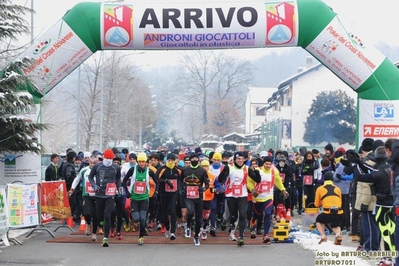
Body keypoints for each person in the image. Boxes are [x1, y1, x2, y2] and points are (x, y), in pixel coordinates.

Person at [218, 151, 261, 246]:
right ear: (235, 160)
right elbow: (220, 180)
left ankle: (241, 237)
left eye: (242, 159)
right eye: (238, 159)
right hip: (231, 195)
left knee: (242, 215)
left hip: (242, 195)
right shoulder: (229, 167)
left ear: (244, 159)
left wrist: (256, 172)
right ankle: (232, 226)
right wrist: (224, 170)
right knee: (233, 216)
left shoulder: (246, 168)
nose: (240, 161)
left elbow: (257, 180)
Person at [247, 156, 287, 244]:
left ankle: (265, 235)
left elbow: (278, 181)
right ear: (263, 164)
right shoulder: (257, 170)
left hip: (268, 196)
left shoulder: (275, 171)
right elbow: (249, 181)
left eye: (270, 164)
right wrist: (252, 190)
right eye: (266, 164)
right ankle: (253, 221)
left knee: (268, 214)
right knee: (257, 214)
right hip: (257, 197)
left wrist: (283, 190)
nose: (268, 166)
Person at [88, 149, 121, 247]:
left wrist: (118, 187)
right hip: (99, 194)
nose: (109, 161)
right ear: (103, 158)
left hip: (110, 194)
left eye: (111, 159)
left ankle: (105, 238)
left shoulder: (116, 167)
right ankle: (100, 224)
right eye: (107, 158)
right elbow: (90, 177)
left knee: (108, 215)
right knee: (99, 216)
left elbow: (118, 178)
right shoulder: (98, 166)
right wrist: (94, 185)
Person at [123, 152, 156, 246]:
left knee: (142, 218)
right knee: (136, 218)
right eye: (140, 161)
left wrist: (153, 192)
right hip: (134, 198)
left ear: (146, 162)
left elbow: (156, 181)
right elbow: (124, 180)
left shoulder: (149, 171)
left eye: (143, 161)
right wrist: (127, 192)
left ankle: (141, 237)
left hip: (144, 198)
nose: (141, 163)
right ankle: (136, 223)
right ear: (138, 162)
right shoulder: (132, 170)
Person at [180, 153, 209, 246]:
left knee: (199, 219)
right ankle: (188, 226)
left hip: (198, 197)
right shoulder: (185, 170)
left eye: (196, 158)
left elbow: (207, 183)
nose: (194, 160)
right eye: (193, 158)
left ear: (198, 160)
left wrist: (203, 189)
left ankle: (196, 236)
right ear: (190, 160)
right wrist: (182, 189)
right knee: (191, 211)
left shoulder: (202, 171)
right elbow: (180, 181)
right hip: (188, 196)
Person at [69, 157, 98, 241]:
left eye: (94, 163)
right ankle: (88, 224)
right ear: (89, 163)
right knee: (87, 213)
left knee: (96, 215)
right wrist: (72, 189)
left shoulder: (100, 170)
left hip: (97, 195)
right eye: (91, 163)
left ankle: (94, 233)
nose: (92, 165)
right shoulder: (84, 170)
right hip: (86, 194)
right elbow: (77, 179)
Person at [155, 152, 181, 240]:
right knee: (165, 213)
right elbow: (156, 178)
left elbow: (182, 179)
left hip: (174, 193)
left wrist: (180, 189)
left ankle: (173, 232)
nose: (170, 162)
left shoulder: (178, 169)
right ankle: (167, 228)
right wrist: (165, 180)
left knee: (173, 210)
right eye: (169, 160)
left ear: (174, 161)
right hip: (164, 193)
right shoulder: (162, 169)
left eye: (172, 160)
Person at [315, 172, 344, 245]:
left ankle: (323, 236)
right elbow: (340, 202)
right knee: (335, 225)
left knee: (319, 220)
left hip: (327, 213)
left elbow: (317, 204)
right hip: (339, 213)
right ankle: (338, 235)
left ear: (324, 179)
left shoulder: (320, 189)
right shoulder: (338, 189)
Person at [200, 159, 217, 240]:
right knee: (198, 215)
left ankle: (205, 229)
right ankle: (199, 229)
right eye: (203, 166)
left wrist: (215, 190)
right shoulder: (197, 175)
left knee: (206, 216)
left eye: (206, 166)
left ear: (208, 167)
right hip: (199, 199)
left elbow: (217, 186)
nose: (204, 168)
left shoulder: (213, 176)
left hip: (209, 199)